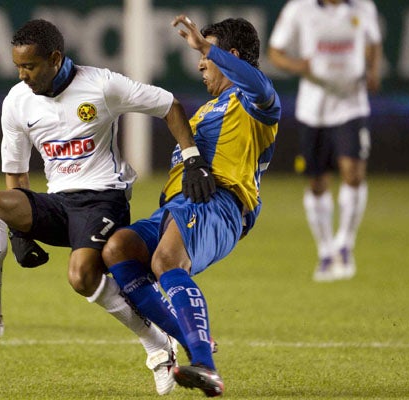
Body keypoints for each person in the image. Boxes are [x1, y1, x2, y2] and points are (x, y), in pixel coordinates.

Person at [0, 19, 216, 395]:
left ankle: (156, 343)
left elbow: (169, 105)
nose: (22, 75)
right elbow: (16, 175)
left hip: (103, 198)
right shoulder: (17, 101)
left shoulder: (102, 85)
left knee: (81, 276)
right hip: (59, 202)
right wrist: (20, 235)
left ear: (55, 59)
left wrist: (193, 157)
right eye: (17, 66)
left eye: (29, 66)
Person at [102, 15, 280, 397]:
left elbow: (261, 86)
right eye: (202, 56)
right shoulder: (205, 112)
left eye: (206, 57)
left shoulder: (253, 105)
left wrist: (206, 46)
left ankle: (205, 365)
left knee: (166, 261)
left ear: (231, 56)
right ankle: (190, 338)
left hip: (219, 204)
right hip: (177, 207)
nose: (200, 64)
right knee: (118, 249)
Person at [268, 0, 383, 282]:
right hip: (314, 109)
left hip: (352, 105)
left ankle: (345, 244)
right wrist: (299, 65)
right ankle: (326, 251)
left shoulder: (363, 7)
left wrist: (373, 70)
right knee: (317, 182)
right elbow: (275, 52)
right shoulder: (299, 9)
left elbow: (374, 42)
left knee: (353, 173)